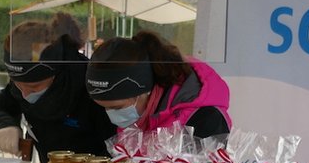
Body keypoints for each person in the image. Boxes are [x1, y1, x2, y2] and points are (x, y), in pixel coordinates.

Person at [0, 13, 115, 163]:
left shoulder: (89, 85)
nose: (25, 95)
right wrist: (4, 125)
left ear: (56, 74)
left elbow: (114, 149)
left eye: (35, 87)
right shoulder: (23, 84)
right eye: (19, 85)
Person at [84, 31, 231, 139]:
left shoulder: (206, 118)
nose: (111, 115)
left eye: (117, 108)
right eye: (105, 107)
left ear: (145, 91)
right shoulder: (139, 115)